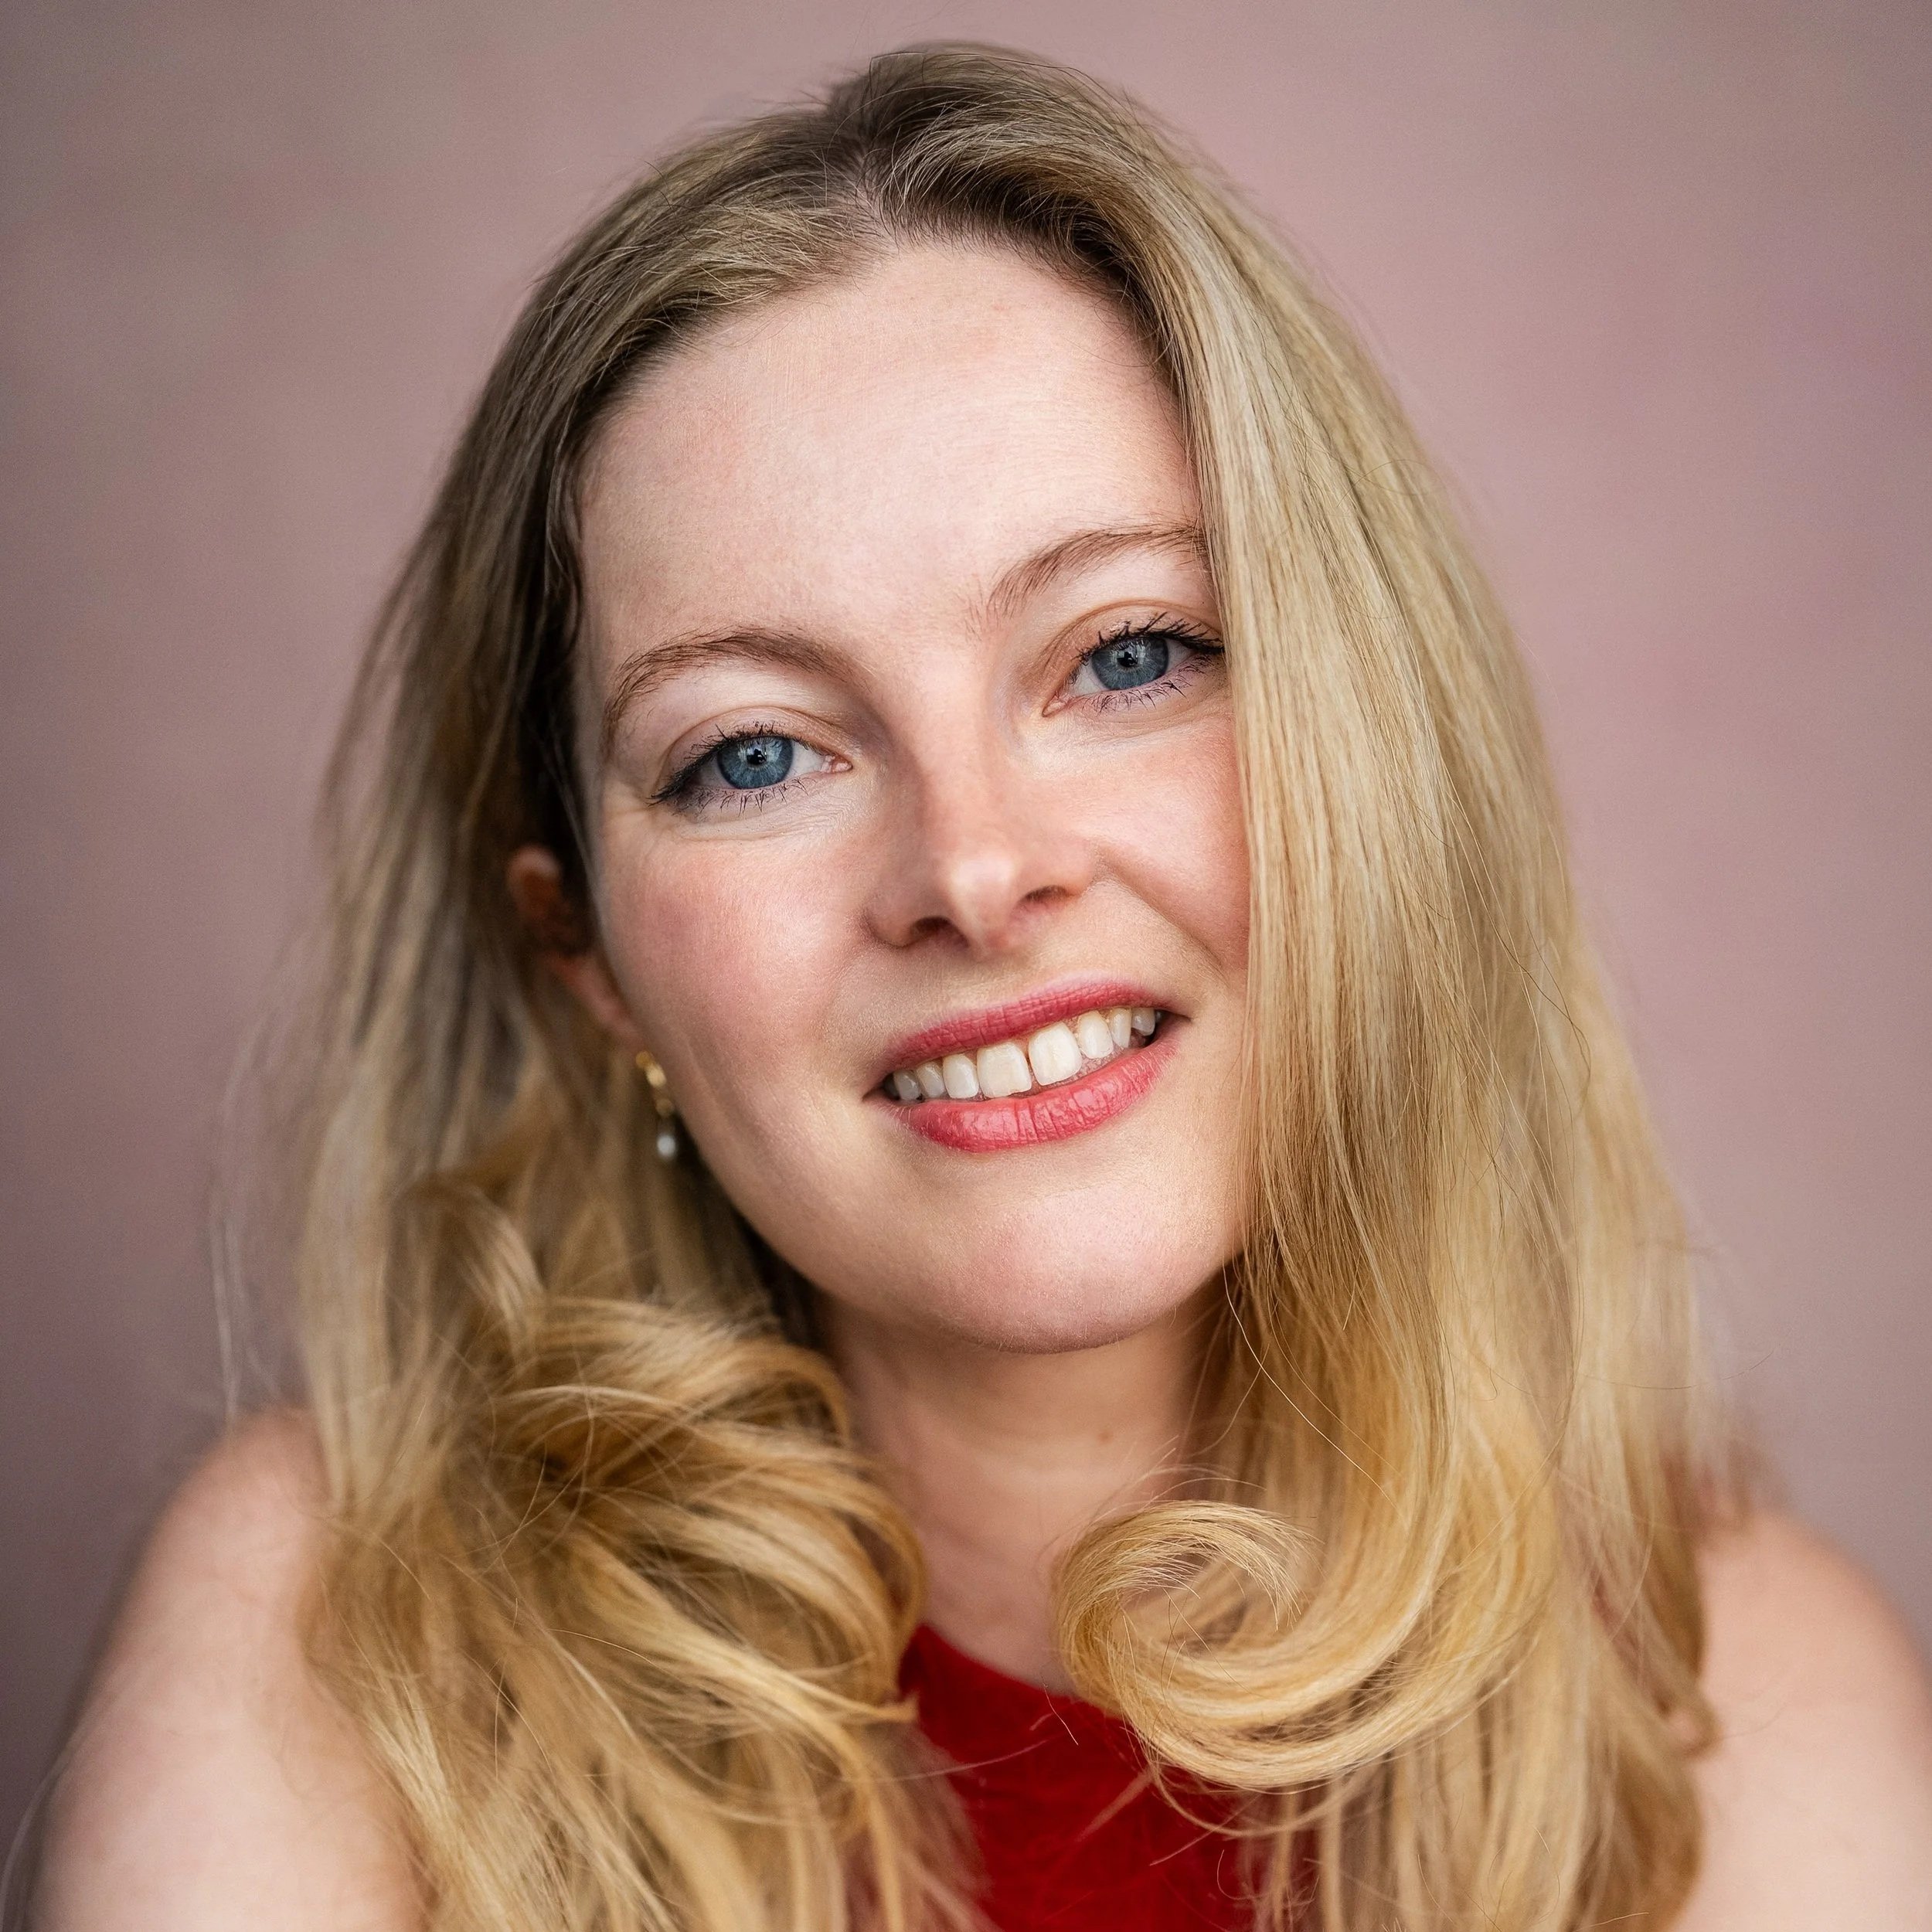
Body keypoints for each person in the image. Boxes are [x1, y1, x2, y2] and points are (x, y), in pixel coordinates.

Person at [32, 42, 1932, 1932]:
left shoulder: (1740, 1697)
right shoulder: (335, 1624)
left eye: (1124, 655)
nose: (970, 868)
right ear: (588, 959)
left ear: (1375, 744)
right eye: (755, 754)